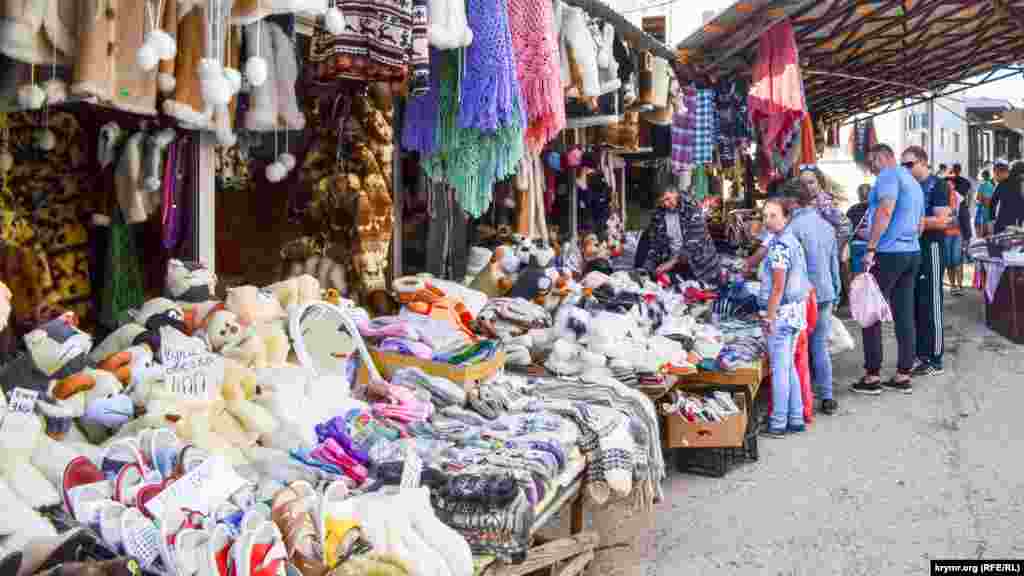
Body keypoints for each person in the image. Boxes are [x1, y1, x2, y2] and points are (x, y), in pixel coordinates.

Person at [851, 144, 924, 396]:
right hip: (912, 252)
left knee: (869, 311)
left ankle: (872, 376)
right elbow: (920, 224)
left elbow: (885, 209)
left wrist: (871, 246)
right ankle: (903, 374)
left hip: (888, 253)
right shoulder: (913, 182)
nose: (870, 168)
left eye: (872, 161)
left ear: (883, 157)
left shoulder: (888, 175)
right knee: (904, 312)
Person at [758, 198, 811, 437]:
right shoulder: (792, 241)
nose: (768, 221)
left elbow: (778, 288)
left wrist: (769, 318)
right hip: (794, 312)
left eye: (773, 215)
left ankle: (778, 422)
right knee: (787, 367)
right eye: (765, 216)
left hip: (781, 315)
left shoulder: (780, 247)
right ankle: (796, 417)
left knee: (780, 369)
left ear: (786, 217)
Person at [789, 177, 841, 415]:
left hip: (802, 295)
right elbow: (834, 264)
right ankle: (827, 395)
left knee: (799, 347)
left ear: (791, 201)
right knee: (819, 345)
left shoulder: (792, 228)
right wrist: (836, 290)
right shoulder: (827, 226)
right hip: (826, 292)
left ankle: (803, 398)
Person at [903, 146, 952, 377]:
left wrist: (914, 222)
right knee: (916, 303)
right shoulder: (907, 186)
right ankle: (919, 354)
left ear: (923, 162)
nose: (906, 168)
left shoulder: (937, 185)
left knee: (932, 301)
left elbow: (943, 221)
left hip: (931, 246)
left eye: (909, 164)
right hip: (912, 249)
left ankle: (934, 357)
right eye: (903, 165)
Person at [643, 184, 722, 285]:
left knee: (705, 293)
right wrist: (647, 267)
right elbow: (656, 244)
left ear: (675, 193)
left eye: (667, 199)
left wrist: (671, 263)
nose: (666, 204)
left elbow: (694, 241)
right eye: (662, 201)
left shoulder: (691, 208)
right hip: (677, 267)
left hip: (702, 267)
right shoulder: (658, 215)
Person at [943, 174, 966, 296]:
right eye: (946, 183)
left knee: (957, 259)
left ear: (954, 185)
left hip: (957, 232)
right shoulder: (941, 197)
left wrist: (967, 235)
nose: (948, 185)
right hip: (945, 232)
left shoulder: (959, 198)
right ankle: (952, 286)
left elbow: (964, 217)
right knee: (949, 260)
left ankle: (960, 285)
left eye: (951, 183)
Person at [991, 160, 1024, 235]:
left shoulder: (1002, 183)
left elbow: (993, 202)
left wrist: (992, 217)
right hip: (1016, 221)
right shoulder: (1019, 184)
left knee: (998, 241)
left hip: (1003, 220)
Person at [976, 169, 995, 238]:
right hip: (991, 206)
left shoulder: (982, 186)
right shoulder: (992, 185)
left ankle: (984, 235)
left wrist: (982, 200)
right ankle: (989, 234)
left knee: (984, 221)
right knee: (989, 221)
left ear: (983, 176)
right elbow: (994, 197)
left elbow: (978, 198)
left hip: (984, 205)